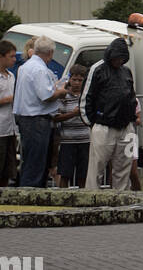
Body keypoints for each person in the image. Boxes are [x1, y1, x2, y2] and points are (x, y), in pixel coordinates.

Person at [81, 37, 138, 190]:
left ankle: (121, 199)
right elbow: (87, 98)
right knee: (96, 168)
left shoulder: (126, 72)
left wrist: (132, 118)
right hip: (103, 126)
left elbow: (131, 96)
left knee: (123, 168)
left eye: (122, 58)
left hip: (125, 127)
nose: (119, 61)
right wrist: (93, 124)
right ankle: (92, 201)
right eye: (117, 58)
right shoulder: (97, 69)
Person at [12, 36, 68, 187]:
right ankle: (31, 194)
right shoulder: (40, 69)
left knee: (30, 159)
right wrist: (61, 92)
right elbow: (46, 96)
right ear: (50, 53)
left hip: (26, 118)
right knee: (36, 162)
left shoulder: (25, 67)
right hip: (36, 119)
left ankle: (28, 192)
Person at [53, 64, 90, 188]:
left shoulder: (86, 97)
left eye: (80, 80)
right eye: (74, 79)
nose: (77, 83)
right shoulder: (64, 96)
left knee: (83, 174)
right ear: (70, 79)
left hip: (85, 140)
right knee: (65, 174)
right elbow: (57, 117)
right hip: (68, 141)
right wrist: (73, 113)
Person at [0, 39, 18, 187]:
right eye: (11, 56)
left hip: (11, 129)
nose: (14, 59)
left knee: (8, 169)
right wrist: (9, 99)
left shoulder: (11, 76)